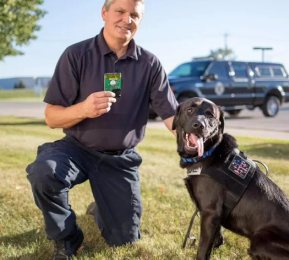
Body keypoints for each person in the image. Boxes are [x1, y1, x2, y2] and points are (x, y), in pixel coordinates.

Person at [26, 0, 178, 258]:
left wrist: (200, 138)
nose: (126, 19)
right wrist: (83, 109)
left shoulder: (150, 64)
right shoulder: (76, 54)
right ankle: (67, 238)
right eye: (120, 11)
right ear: (104, 13)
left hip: (120, 159)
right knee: (44, 173)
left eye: (134, 15)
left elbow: (172, 115)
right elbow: (52, 117)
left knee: (124, 240)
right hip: (76, 149)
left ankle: (101, 207)